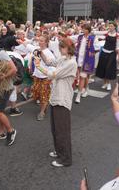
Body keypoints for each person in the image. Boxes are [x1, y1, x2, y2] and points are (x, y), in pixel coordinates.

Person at [35, 38, 77, 167]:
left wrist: (38, 67)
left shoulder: (71, 63)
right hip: (56, 97)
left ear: (69, 48)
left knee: (62, 130)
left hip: (62, 98)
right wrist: (41, 53)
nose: (60, 49)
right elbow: (50, 62)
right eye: (60, 47)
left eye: (62, 47)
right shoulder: (64, 59)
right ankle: (59, 151)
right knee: (55, 129)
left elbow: (53, 74)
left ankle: (66, 159)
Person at [31, 35, 55, 120]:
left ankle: (42, 112)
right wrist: (33, 71)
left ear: (46, 42)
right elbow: (34, 60)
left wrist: (50, 77)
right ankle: (44, 106)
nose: (40, 42)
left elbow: (52, 66)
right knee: (37, 93)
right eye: (39, 40)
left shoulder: (49, 53)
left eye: (42, 41)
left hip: (45, 77)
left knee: (44, 94)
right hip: (37, 75)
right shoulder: (37, 50)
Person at [74, 24, 97, 103]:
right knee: (84, 76)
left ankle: (78, 95)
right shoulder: (80, 37)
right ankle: (86, 89)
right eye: (82, 28)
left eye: (84, 29)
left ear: (88, 30)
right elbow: (72, 40)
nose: (83, 30)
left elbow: (97, 48)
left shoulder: (92, 38)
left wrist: (91, 54)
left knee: (82, 77)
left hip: (87, 60)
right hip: (79, 59)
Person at [95, 22, 119, 91]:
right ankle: (105, 83)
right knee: (103, 67)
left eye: (111, 26)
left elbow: (118, 47)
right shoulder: (107, 33)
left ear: (115, 27)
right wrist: (91, 31)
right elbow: (97, 33)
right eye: (109, 26)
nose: (110, 27)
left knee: (108, 68)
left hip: (112, 53)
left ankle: (108, 83)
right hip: (104, 51)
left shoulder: (117, 35)